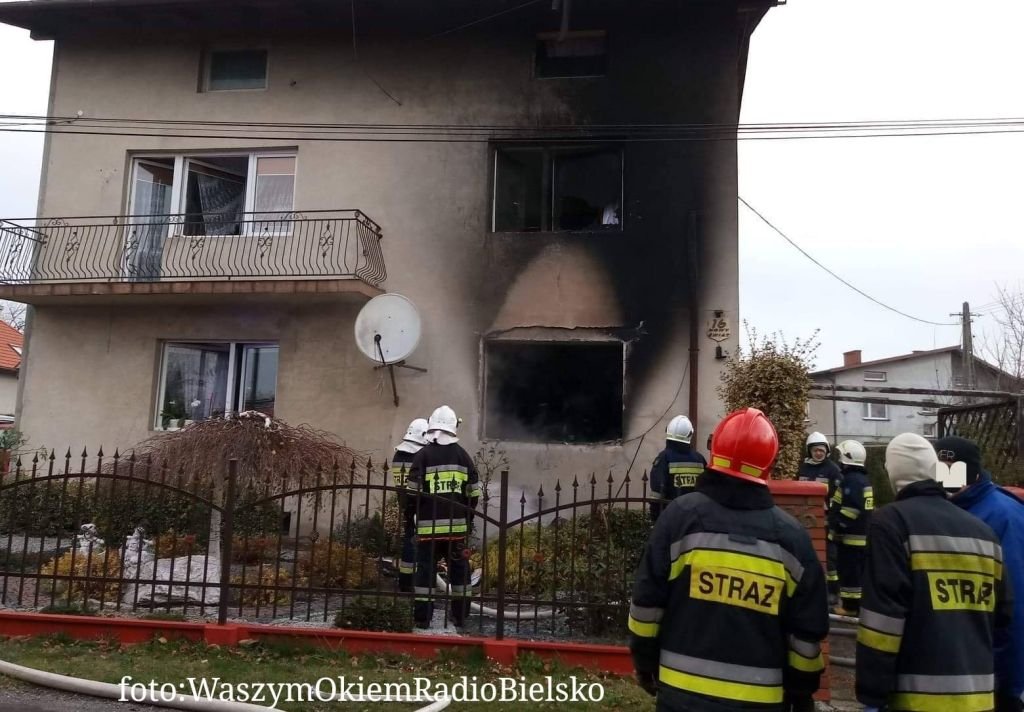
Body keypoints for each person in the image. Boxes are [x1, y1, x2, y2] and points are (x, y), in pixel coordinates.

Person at [629, 407, 828, 712]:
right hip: (761, 701)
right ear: (768, 462)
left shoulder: (679, 519)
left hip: (680, 696)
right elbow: (806, 633)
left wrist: (644, 663)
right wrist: (801, 692)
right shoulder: (792, 539)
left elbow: (646, 604)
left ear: (715, 450)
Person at [856, 433, 1012, 712]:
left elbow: (882, 622)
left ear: (893, 474)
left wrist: (872, 692)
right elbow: (1003, 617)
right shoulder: (984, 533)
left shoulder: (890, 523)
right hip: (980, 698)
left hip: (917, 699)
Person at [937, 435, 1024, 711]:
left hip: (994, 670)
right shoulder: (947, 508)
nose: (945, 475)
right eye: (939, 467)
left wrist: (1010, 682)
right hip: (962, 660)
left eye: (951, 467)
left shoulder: (1002, 515)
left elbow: (1015, 606)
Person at [407, 405, 481, 629]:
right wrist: (466, 519)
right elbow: (474, 493)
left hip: (428, 531)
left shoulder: (423, 455)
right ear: (452, 428)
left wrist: (411, 516)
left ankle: (423, 619)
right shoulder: (463, 456)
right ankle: (460, 616)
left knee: (425, 574)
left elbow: (412, 493)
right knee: (460, 573)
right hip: (455, 530)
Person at [827, 440, 873, 616]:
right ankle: (856, 606)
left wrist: (838, 527)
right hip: (859, 538)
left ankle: (850, 607)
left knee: (850, 574)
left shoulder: (852, 481)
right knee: (856, 574)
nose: (838, 460)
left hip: (850, 539)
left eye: (840, 456)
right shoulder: (861, 480)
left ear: (847, 459)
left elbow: (851, 509)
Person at [798, 432, 842, 602]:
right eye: (815, 450)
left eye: (821, 450)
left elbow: (838, 496)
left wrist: (831, 515)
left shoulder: (832, 470)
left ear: (826, 451)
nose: (818, 453)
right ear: (810, 451)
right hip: (805, 520)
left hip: (826, 519)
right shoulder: (803, 468)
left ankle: (832, 591)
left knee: (830, 556)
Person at [391, 417, 428, 594]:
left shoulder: (398, 455)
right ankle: (415, 582)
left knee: (409, 540)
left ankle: (405, 581)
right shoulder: (417, 456)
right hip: (419, 504)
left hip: (405, 502)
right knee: (418, 544)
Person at [649, 415, 707, 522]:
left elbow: (657, 494)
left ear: (668, 432)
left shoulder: (664, 458)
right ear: (690, 434)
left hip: (671, 519)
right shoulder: (700, 459)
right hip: (695, 520)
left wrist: (655, 519)